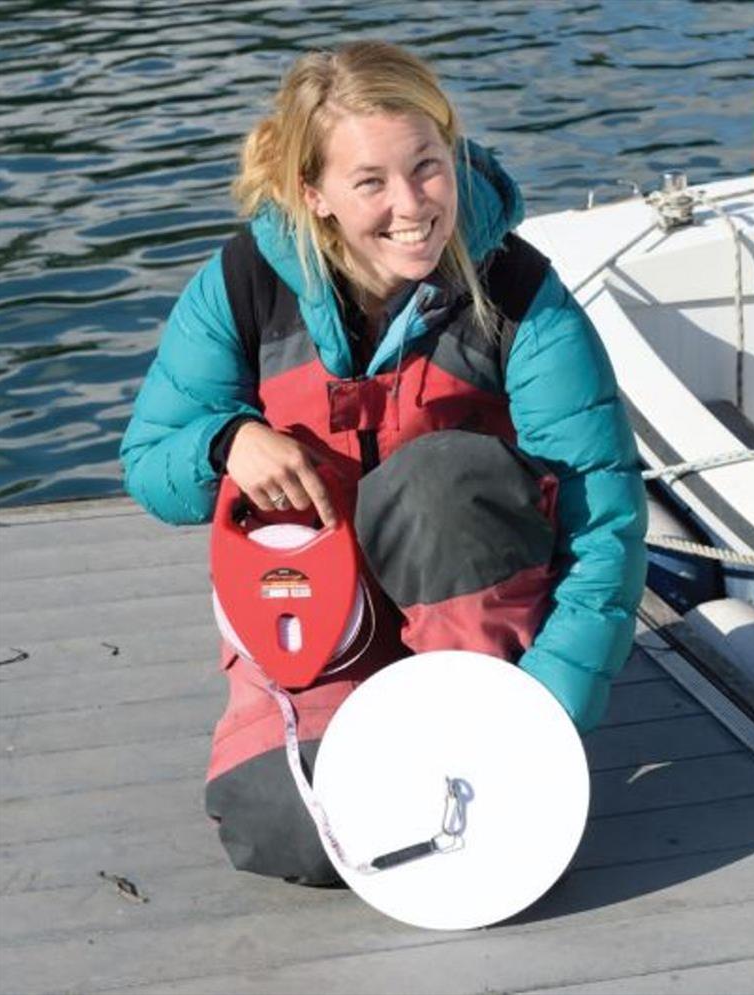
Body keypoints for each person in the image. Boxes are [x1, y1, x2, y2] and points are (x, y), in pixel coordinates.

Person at [120, 40, 647, 884]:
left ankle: (469, 708)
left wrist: (543, 714)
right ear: (314, 195)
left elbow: (606, 528)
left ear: (452, 152)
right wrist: (224, 441)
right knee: (285, 834)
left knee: (438, 476)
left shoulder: (518, 291)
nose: (412, 206)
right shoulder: (242, 285)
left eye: (427, 168)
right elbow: (149, 463)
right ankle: (341, 712)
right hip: (316, 616)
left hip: (477, 624)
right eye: (370, 182)